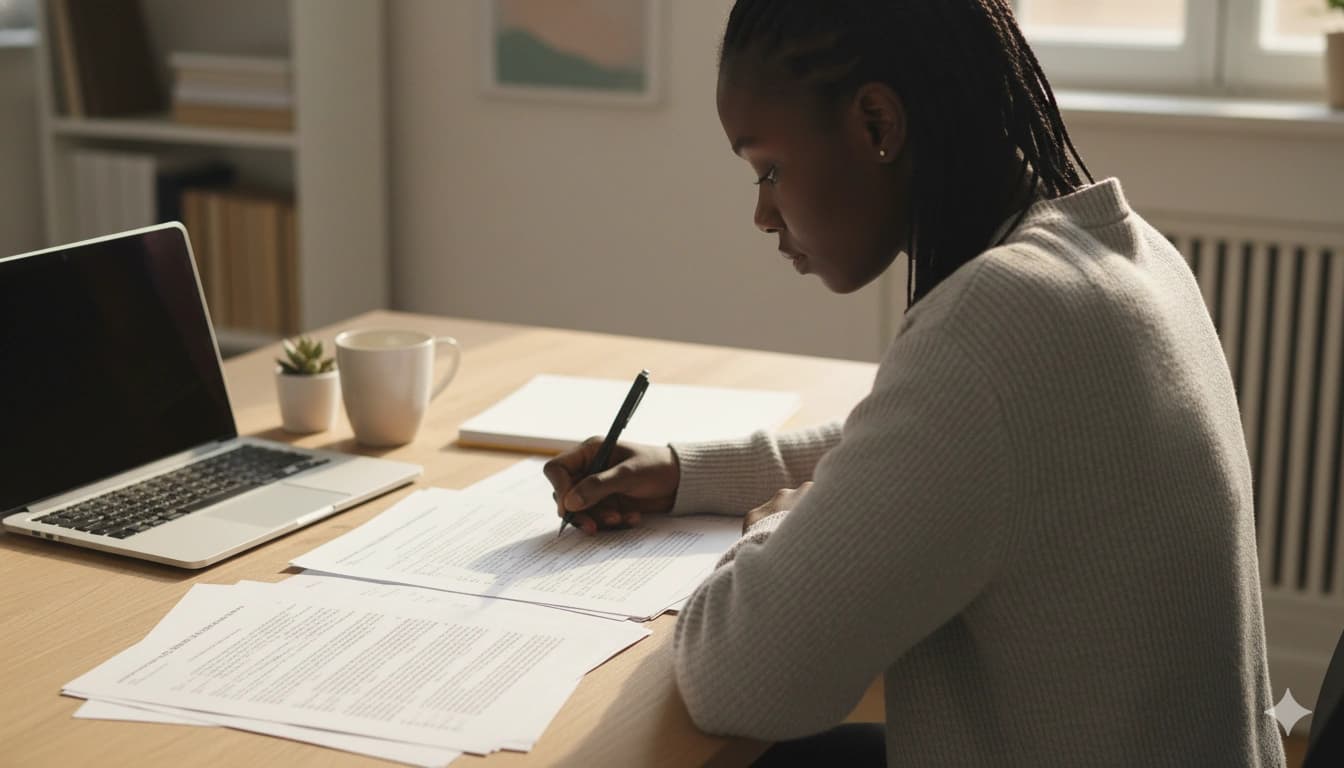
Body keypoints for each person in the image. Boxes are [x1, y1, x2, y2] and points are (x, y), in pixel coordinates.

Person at [543, 1, 1285, 765]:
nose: (762, 212)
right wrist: (686, 473)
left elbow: (736, 679)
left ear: (876, 124)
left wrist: (779, 525)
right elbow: (909, 452)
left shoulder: (999, 320)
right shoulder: (1119, 253)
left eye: (768, 169)